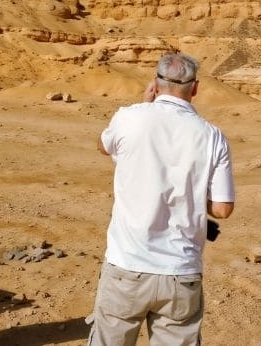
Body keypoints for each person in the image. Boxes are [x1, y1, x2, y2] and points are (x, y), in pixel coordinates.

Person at [88, 53, 236, 345]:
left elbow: (103, 146)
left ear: (155, 83)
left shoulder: (129, 117)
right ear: (195, 88)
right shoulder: (213, 136)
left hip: (126, 266)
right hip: (181, 273)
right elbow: (222, 208)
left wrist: (145, 106)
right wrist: (193, 197)